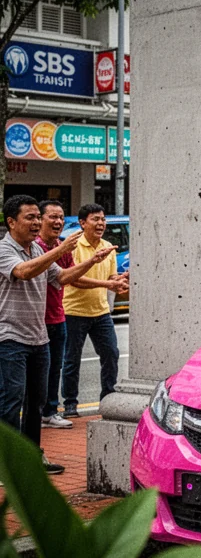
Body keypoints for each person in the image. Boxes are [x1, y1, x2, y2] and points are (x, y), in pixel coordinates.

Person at [0, 195, 115, 474]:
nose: (36, 223)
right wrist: (61, 247)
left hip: (38, 338)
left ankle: (31, 457)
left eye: (37, 218)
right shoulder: (5, 249)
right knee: (11, 400)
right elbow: (24, 273)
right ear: (11, 221)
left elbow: (61, 277)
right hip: (9, 338)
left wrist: (91, 261)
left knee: (36, 403)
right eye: (30, 218)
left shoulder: (37, 251)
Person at [61, 204, 128, 417]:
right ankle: (70, 403)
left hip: (101, 312)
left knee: (111, 353)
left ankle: (107, 398)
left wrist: (119, 281)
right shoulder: (73, 246)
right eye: (95, 219)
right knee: (72, 359)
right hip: (74, 311)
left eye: (102, 219)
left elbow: (109, 278)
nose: (101, 224)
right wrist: (107, 285)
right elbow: (74, 279)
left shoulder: (107, 246)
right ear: (82, 223)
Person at [35, 201, 74, 429]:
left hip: (58, 317)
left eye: (61, 217)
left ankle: (49, 411)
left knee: (54, 368)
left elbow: (68, 277)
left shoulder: (61, 247)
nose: (58, 222)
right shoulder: (35, 248)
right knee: (35, 373)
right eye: (53, 217)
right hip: (36, 320)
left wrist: (106, 281)